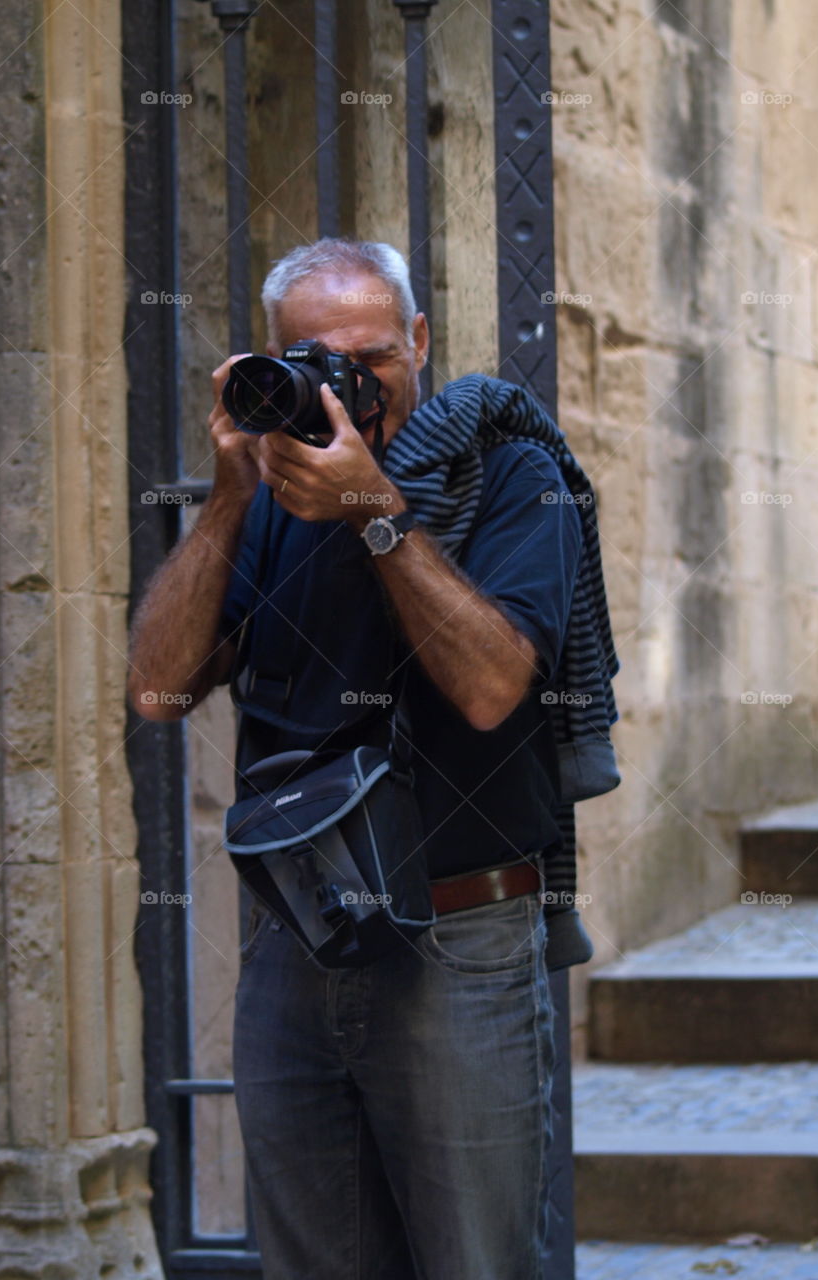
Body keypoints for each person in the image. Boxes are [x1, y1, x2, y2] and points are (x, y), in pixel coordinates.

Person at [127, 238, 585, 1280]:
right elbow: (158, 687)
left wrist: (376, 509)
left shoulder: (508, 472)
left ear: (419, 341)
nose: (346, 386)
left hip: (458, 935)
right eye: (312, 360)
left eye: (372, 358)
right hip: (298, 938)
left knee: (477, 1262)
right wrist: (232, 493)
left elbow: (491, 683)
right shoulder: (269, 497)